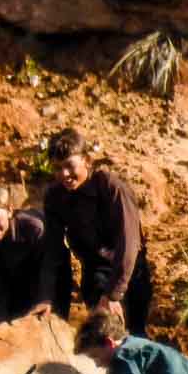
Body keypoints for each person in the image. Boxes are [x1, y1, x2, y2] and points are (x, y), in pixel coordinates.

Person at [37, 128, 153, 336]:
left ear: (87, 160)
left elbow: (129, 245)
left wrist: (113, 296)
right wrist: (46, 296)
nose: (64, 174)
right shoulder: (55, 197)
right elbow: (53, 251)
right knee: (102, 338)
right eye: (57, 168)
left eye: (69, 166)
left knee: (132, 337)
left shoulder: (111, 188)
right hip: (94, 272)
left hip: (129, 272)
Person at [0, 180, 68, 333]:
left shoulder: (34, 228)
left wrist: (45, 298)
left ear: (9, 210)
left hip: (52, 285)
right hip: (15, 290)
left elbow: (51, 267)